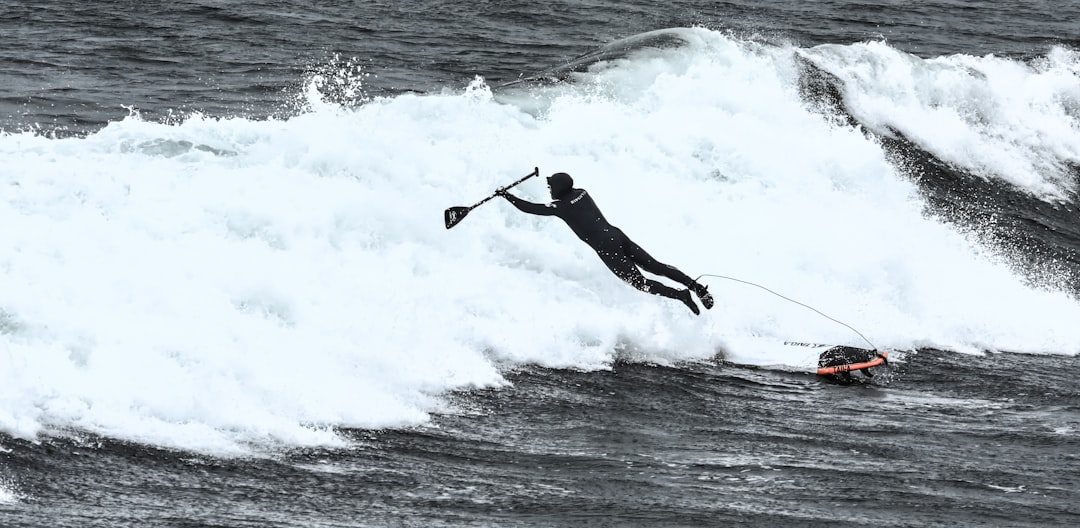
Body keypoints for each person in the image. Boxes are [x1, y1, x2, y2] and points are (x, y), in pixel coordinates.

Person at [497, 171, 713, 315]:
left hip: (607, 247)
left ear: (559, 188)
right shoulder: (582, 193)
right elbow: (558, 198)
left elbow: (531, 208)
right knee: (656, 266)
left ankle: (681, 295)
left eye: (551, 186)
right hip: (617, 235)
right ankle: (696, 286)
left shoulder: (560, 206)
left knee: (640, 282)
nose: (550, 189)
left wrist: (507, 196)